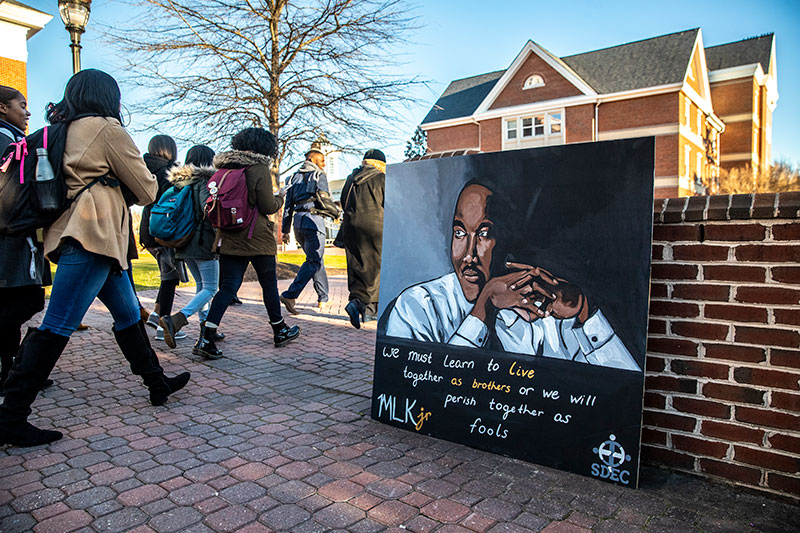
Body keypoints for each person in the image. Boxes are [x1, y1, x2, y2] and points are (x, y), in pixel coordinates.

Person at [0, 69, 190, 447]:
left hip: (81, 234)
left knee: (127, 313)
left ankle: (157, 382)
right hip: (93, 235)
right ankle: (11, 415)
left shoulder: (62, 129)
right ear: (108, 97)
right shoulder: (106, 128)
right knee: (57, 324)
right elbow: (147, 188)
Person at [384, 182, 640, 371]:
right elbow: (419, 390)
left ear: (506, 240)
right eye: (460, 233)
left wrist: (585, 315)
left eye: (484, 233)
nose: (469, 255)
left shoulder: (541, 312)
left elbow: (621, 396)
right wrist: (482, 310)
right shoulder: (417, 306)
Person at [193, 127, 300, 359]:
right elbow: (268, 206)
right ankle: (279, 329)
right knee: (268, 285)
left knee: (228, 287)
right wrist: (281, 195)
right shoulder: (259, 168)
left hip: (229, 236)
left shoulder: (224, 168)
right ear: (264, 147)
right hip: (257, 238)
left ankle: (206, 337)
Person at [0, 86, 53, 394]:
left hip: (15, 233)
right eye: (21, 105)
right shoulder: (6, 140)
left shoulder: (13, 139)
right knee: (27, 299)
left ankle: (12, 371)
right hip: (11, 234)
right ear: (3, 108)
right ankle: (20, 368)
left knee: (12, 301)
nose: (27, 111)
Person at [159, 145, 223, 348]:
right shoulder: (205, 180)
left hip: (183, 241)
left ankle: (206, 327)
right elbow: (209, 209)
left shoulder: (180, 182)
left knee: (202, 286)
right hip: (203, 240)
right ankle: (177, 319)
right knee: (212, 287)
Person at [139, 135, 186, 343]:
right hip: (164, 231)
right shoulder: (170, 173)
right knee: (169, 278)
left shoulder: (143, 168)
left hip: (148, 230)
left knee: (168, 275)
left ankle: (157, 315)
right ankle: (163, 326)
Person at [338, 149, 386, 329]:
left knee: (357, 266)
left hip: (351, 228)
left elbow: (343, 201)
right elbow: (390, 204)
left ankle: (358, 302)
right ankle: (366, 309)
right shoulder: (381, 178)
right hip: (375, 228)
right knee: (375, 269)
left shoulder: (351, 179)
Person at [279, 144, 329, 313]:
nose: (323, 164)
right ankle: (290, 294)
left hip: (298, 225)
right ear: (311, 159)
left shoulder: (291, 178)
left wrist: (285, 230)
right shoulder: (319, 175)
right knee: (314, 260)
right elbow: (325, 200)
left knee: (316, 259)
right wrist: (336, 214)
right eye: (321, 160)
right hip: (314, 223)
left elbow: (287, 206)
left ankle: (323, 297)